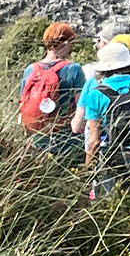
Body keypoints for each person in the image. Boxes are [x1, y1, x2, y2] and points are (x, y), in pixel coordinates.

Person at [75, 39, 130, 193]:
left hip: (113, 160)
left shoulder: (96, 95)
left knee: (111, 205)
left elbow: (94, 141)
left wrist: (87, 170)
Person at [18, 23, 87, 156]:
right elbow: (82, 109)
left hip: (35, 141)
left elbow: (22, 105)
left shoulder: (30, 70)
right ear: (66, 42)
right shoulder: (74, 70)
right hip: (66, 142)